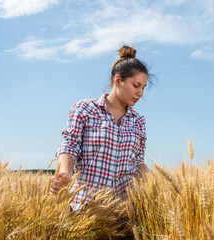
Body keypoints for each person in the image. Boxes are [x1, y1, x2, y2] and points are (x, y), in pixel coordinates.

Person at [50, 45, 151, 211]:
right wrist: (65, 174)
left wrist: (157, 183)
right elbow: (70, 145)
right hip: (85, 209)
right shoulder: (84, 109)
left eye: (143, 88)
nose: (140, 93)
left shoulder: (138, 120)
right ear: (118, 81)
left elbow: (138, 161)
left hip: (124, 212)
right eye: (136, 85)